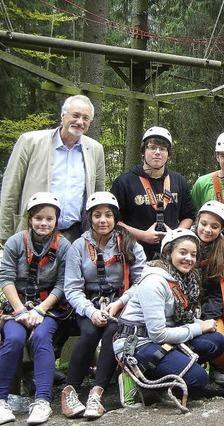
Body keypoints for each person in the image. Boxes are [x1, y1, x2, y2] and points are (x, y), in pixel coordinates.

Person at [112, 229, 224, 402]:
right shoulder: (155, 282)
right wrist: (198, 327)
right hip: (138, 342)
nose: (189, 258)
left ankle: (165, 375)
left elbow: (179, 319)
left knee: (215, 341)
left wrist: (199, 325)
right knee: (198, 380)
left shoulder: (185, 279)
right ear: (168, 252)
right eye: (183, 252)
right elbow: (158, 334)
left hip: (163, 335)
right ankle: (138, 378)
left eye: (193, 254)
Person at [62, 192, 146, 419]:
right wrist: (90, 311)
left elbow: (141, 280)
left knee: (112, 331)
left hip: (120, 301)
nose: (103, 220)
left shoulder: (129, 243)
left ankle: (96, 393)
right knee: (89, 331)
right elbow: (71, 288)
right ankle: (70, 390)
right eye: (97, 215)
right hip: (88, 302)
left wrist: (120, 302)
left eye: (108, 215)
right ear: (89, 218)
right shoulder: (78, 246)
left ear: (115, 218)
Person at [0, 193, 71, 425]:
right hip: (17, 305)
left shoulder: (63, 246)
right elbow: (6, 278)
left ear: (56, 221)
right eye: (39, 218)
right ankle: (1, 400)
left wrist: (40, 310)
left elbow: (63, 283)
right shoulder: (15, 242)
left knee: (41, 337)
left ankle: (42, 401)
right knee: (13, 339)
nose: (44, 223)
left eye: (49, 219)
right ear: (30, 219)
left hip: (48, 307)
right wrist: (20, 311)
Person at [0, 95, 105, 244]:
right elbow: (11, 189)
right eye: (75, 115)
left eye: (85, 118)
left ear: (90, 122)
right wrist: (5, 233)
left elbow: (98, 194)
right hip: (32, 232)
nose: (80, 121)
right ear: (63, 115)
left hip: (75, 235)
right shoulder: (30, 142)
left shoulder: (95, 149)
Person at [111, 126, 195, 259]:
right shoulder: (124, 182)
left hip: (171, 253)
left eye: (162, 149)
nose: (157, 152)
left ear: (169, 154)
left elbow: (189, 216)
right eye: (152, 147)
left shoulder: (179, 181)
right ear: (143, 151)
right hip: (134, 252)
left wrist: (174, 235)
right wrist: (142, 235)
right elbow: (114, 221)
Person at [193, 201, 224, 386]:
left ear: (222, 229)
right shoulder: (182, 243)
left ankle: (220, 367)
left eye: (214, 226)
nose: (207, 230)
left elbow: (221, 292)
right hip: (184, 306)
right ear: (197, 222)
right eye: (204, 224)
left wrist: (207, 317)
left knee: (217, 340)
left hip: (212, 309)